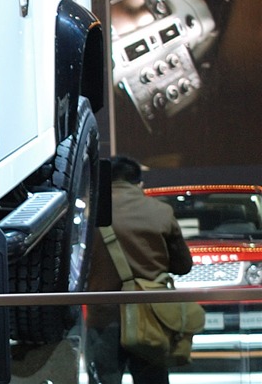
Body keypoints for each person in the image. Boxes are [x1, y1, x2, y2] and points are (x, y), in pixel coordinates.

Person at [86, 155, 194, 384]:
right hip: (152, 318)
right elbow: (183, 266)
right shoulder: (161, 211)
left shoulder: (89, 214)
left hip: (104, 317)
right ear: (139, 183)